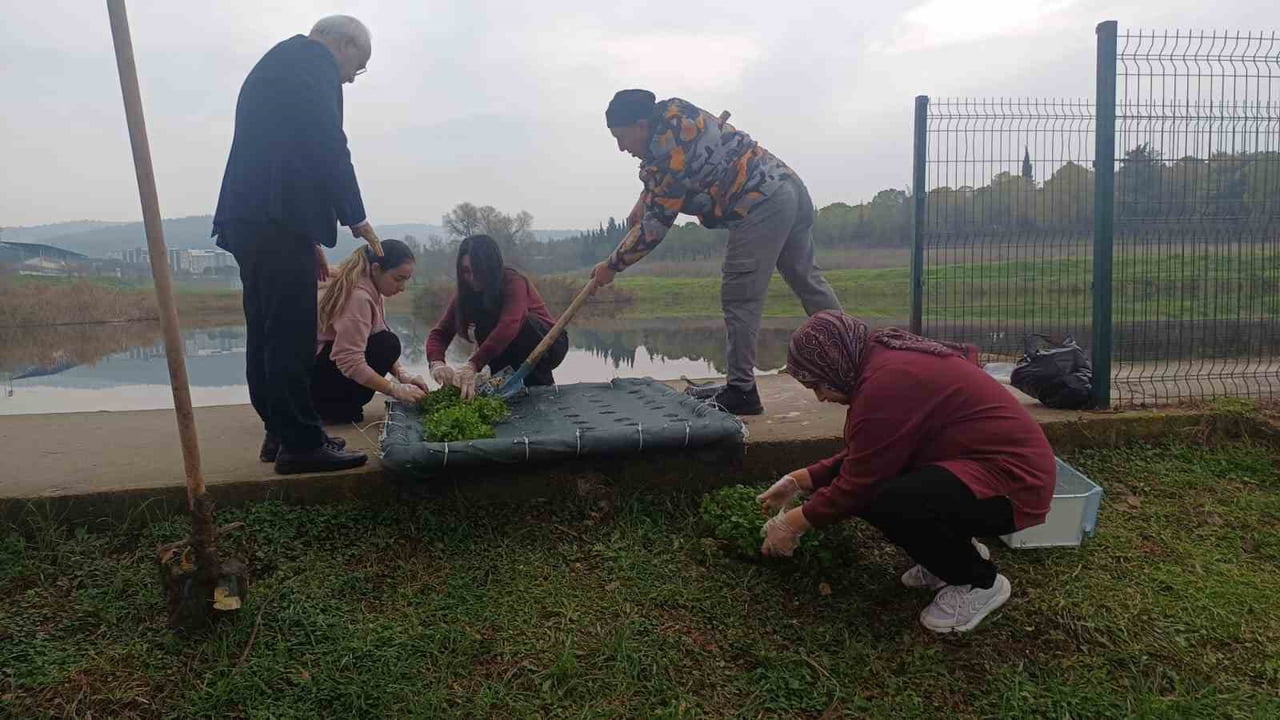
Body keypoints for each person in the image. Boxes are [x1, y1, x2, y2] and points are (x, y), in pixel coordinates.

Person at [757, 311, 1056, 634]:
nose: (820, 396)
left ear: (834, 364)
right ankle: (947, 559)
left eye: (817, 384)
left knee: (884, 498)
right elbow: (875, 452)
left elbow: (860, 483)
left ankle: (978, 583)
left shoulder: (885, 382)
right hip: (980, 468)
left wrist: (792, 524)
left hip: (1014, 485)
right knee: (886, 490)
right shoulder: (880, 360)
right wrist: (801, 480)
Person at [590, 89, 843, 415]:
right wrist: (646, 196)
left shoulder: (667, 159)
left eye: (621, 137)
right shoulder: (676, 111)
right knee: (808, 280)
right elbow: (676, 161)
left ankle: (741, 391)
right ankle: (858, 361)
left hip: (757, 202)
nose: (621, 147)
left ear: (641, 125)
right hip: (787, 185)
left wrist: (612, 266)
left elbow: (652, 230)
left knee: (740, 297)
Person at [212, 15, 380, 474]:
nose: (350, 77)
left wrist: (305, 234)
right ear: (341, 43)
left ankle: (281, 431)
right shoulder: (312, 62)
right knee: (290, 331)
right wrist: (356, 216)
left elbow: (288, 150)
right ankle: (301, 445)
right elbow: (326, 143)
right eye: (357, 66)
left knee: (267, 328)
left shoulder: (279, 61)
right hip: (274, 216)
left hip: (258, 216)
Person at [426, 235, 567, 398]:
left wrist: (473, 364)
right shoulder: (466, 294)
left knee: (524, 325)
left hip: (547, 344)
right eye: (466, 271)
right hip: (507, 350)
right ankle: (505, 387)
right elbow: (440, 333)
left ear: (490, 268)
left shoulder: (513, 281)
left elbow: (510, 324)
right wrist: (437, 363)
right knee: (485, 328)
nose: (472, 278)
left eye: (477, 271)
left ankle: (541, 388)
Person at [312, 239, 429, 423]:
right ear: (376, 269)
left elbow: (373, 339)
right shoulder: (358, 297)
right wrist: (393, 389)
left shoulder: (373, 289)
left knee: (387, 343)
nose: (402, 288)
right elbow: (348, 359)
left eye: (405, 280)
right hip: (312, 377)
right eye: (398, 279)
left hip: (322, 370)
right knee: (388, 343)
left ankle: (336, 408)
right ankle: (327, 407)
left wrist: (403, 376)